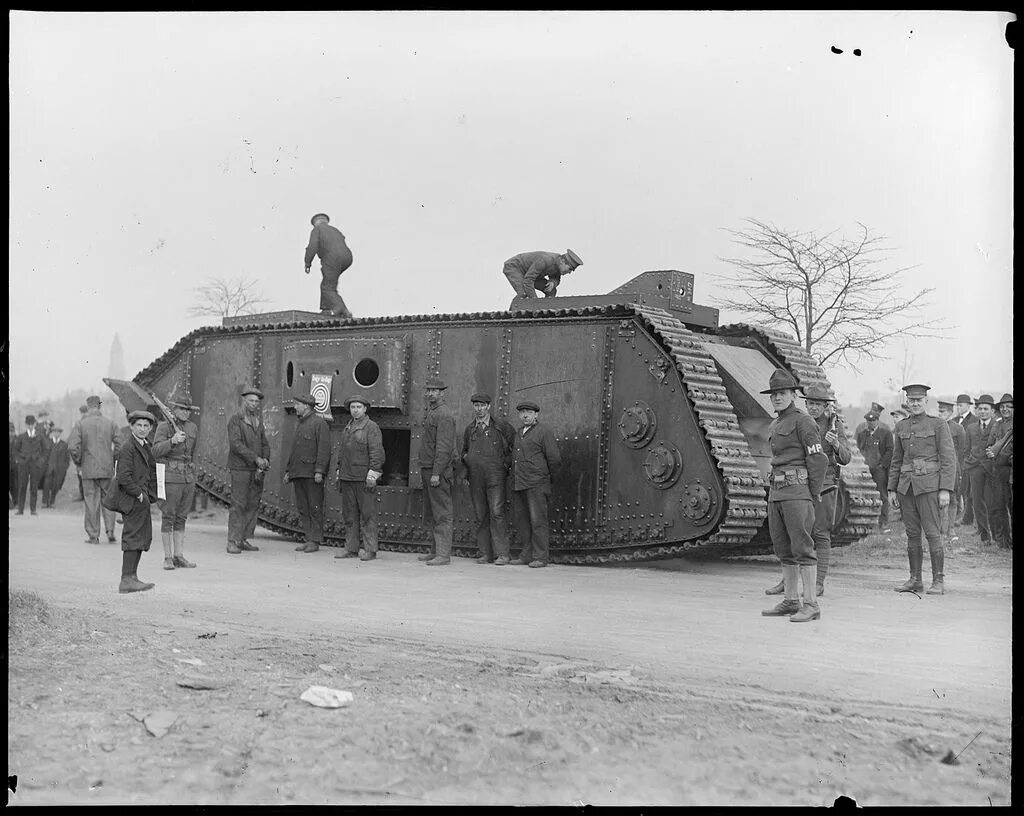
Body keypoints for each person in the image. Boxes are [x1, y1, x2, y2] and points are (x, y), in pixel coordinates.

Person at [766, 384, 849, 598]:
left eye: (818, 405)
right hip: (800, 485)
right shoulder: (799, 422)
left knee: (820, 533)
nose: (813, 408)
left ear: (825, 406)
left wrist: (836, 444)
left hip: (825, 484)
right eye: (810, 403)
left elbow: (845, 458)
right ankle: (788, 582)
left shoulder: (832, 426)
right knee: (795, 533)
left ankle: (818, 582)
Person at [759, 370, 828, 622]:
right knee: (782, 546)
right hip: (777, 492)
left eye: (782, 393)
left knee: (802, 547)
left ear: (793, 395)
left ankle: (810, 604)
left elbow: (818, 459)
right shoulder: (775, 424)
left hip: (797, 492)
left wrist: (812, 492)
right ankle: (790, 600)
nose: (777, 398)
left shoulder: (804, 421)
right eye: (774, 394)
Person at [889, 384, 956, 595]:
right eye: (911, 400)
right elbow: (896, 460)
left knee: (933, 533)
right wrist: (892, 489)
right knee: (912, 534)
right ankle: (915, 579)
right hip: (906, 488)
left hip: (929, 487)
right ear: (907, 402)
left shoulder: (938, 425)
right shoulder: (901, 427)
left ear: (926, 401)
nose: (915, 403)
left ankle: (938, 581)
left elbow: (948, 459)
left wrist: (945, 489)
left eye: (919, 400)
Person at [460, 392, 516, 565]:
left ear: (489, 406)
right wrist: (467, 472)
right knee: (481, 515)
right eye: (476, 405)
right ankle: (485, 553)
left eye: (483, 405)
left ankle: (502, 554)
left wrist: (504, 467)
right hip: (476, 478)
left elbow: (514, 449)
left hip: (495, 478)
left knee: (497, 513)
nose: (479, 409)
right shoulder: (470, 429)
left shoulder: (501, 426)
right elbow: (464, 452)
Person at [510, 401, 562, 568]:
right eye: (522, 412)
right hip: (520, 483)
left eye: (529, 412)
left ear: (536, 415)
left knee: (538, 520)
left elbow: (554, 458)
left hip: (537, 483)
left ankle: (540, 556)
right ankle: (526, 554)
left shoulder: (543, 431)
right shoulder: (519, 433)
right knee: (522, 521)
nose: (525, 415)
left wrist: (547, 479)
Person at [111, 410, 159, 593]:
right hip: (133, 499)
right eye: (139, 425)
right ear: (131, 427)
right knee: (132, 536)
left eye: (146, 426)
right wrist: (139, 494)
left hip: (141, 498)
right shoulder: (128, 447)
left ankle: (133, 577)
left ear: (150, 428)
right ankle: (126, 579)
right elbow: (123, 476)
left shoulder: (145, 445)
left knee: (140, 536)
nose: (142, 429)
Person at [334, 395, 385, 561]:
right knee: (350, 516)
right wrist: (338, 471)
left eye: (358, 407)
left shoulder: (371, 427)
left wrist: (373, 473)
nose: (355, 410)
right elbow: (342, 453)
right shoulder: (348, 427)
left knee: (367, 515)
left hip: (363, 478)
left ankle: (370, 549)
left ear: (365, 409)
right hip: (347, 477)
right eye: (352, 407)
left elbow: (377, 452)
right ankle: (351, 548)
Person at [151, 396, 200, 570]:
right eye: (182, 409)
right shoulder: (164, 427)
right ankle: (167, 557)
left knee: (182, 518)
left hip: (187, 477)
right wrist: (172, 441)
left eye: (188, 410)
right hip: (171, 477)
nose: (185, 412)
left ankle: (179, 555)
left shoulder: (192, 427)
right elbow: (155, 450)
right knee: (168, 516)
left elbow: (193, 452)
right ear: (174, 410)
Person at [284, 394, 332, 554]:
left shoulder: (319, 423)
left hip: (312, 474)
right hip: (298, 473)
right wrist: (288, 471)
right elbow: (294, 450)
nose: (295, 407)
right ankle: (309, 538)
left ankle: (315, 540)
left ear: (306, 406)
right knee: (304, 507)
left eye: (297, 404)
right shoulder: (301, 423)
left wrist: (319, 471)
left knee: (315, 507)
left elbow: (324, 450)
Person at [417, 378, 458, 566]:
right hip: (428, 468)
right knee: (433, 512)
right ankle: (435, 551)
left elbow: (444, 448)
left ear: (443, 393)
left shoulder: (444, 415)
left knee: (442, 513)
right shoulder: (433, 412)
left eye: (435, 390)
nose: (431, 393)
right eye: (429, 390)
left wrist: (436, 473)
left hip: (437, 472)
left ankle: (443, 554)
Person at [68, 395, 119, 543]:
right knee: (108, 500)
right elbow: (120, 443)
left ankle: (93, 535)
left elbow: (72, 446)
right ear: (100, 406)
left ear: (88, 406)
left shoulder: (80, 424)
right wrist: (114, 459)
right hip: (107, 469)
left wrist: (79, 461)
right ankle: (110, 531)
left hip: (89, 469)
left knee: (91, 501)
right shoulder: (110, 423)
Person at [226, 387, 271, 554]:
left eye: (256, 401)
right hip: (240, 469)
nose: (253, 404)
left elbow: (265, 442)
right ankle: (232, 541)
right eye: (250, 400)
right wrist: (256, 458)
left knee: (252, 504)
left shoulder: (257, 421)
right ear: (244, 401)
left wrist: (266, 458)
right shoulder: (236, 420)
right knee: (238, 505)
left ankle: (243, 539)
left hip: (256, 469)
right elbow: (236, 445)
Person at [304, 213, 354, 318]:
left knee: (328, 287)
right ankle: (325, 309)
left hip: (332, 257)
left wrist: (307, 262)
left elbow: (312, 246)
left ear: (315, 223)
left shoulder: (317, 230)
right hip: (347, 257)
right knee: (327, 282)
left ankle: (340, 308)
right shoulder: (335, 230)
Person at [963, 394, 997, 544]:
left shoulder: (997, 425)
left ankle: (997, 535)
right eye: (980, 409)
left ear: (992, 410)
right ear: (976, 410)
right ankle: (984, 536)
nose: (983, 411)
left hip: (992, 470)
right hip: (975, 469)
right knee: (977, 502)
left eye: (986, 409)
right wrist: (968, 462)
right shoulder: (971, 428)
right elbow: (966, 448)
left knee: (992, 503)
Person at [855, 410, 894, 531]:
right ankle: (866, 522)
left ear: (877, 421)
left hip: (879, 470)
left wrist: (882, 465)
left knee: (882, 494)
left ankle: (883, 522)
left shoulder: (885, 433)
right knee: (864, 495)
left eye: (873, 421)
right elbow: (859, 450)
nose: (870, 423)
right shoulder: (862, 434)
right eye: (868, 421)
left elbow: (889, 450)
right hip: (866, 470)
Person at [936, 398, 967, 540]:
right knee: (938, 498)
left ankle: (951, 528)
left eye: (943, 411)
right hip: (937, 466)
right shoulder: (935, 426)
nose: (940, 414)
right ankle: (941, 528)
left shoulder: (957, 428)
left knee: (953, 498)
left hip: (954, 467)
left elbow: (963, 449)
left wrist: (955, 465)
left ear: (950, 412)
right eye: (939, 411)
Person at [985, 393, 1013, 548]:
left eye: (1009, 406)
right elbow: (990, 444)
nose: (1005, 409)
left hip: (1010, 470)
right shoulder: (996, 424)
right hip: (999, 472)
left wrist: (1001, 454)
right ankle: (1004, 541)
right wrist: (990, 451)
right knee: (999, 506)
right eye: (1002, 407)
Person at [502, 250, 583, 299]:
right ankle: (511, 316)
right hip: (515, 267)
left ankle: (545, 311)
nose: (569, 272)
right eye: (569, 269)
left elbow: (556, 278)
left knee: (551, 290)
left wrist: (552, 283)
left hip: (531, 274)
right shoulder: (544, 260)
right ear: (562, 261)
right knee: (523, 294)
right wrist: (535, 301)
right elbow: (528, 281)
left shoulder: (559, 266)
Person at [13, 415, 50, 516]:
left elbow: (46, 449)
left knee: (34, 486)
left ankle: (33, 509)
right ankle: (20, 509)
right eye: (28, 424)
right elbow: (15, 450)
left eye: (32, 424)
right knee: (22, 486)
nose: (30, 426)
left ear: (35, 424)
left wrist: (41, 460)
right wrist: (19, 460)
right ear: (26, 425)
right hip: (23, 465)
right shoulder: (21, 437)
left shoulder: (40, 436)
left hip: (35, 464)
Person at [953, 394, 979, 523]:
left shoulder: (975, 420)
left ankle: (969, 516)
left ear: (968, 406)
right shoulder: (954, 419)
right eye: (957, 405)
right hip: (956, 459)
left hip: (969, 459)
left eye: (961, 405)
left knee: (970, 489)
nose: (958, 407)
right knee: (960, 487)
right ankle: (962, 514)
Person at [41, 426, 71, 508]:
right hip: (49, 469)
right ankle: (44, 502)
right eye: (55, 432)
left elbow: (67, 458)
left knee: (56, 485)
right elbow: (44, 455)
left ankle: (52, 502)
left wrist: (64, 468)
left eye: (58, 432)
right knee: (46, 485)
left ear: (60, 433)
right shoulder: (48, 442)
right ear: (53, 433)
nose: (56, 434)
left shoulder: (64, 445)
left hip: (59, 470)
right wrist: (44, 466)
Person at [72, 404, 88, 502]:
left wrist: (76, 458)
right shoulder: (93, 422)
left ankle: (83, 495)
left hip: (81, 454)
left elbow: (73, 442)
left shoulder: (79, 423)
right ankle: (84, 496)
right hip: (90, 454)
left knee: (81, 476)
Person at [9, 421, 19, 509]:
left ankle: (16, 502)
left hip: (15, 466)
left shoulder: (18, 439)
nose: (11, 433)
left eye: (12, 430)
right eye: (9, 430)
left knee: (15, 484)